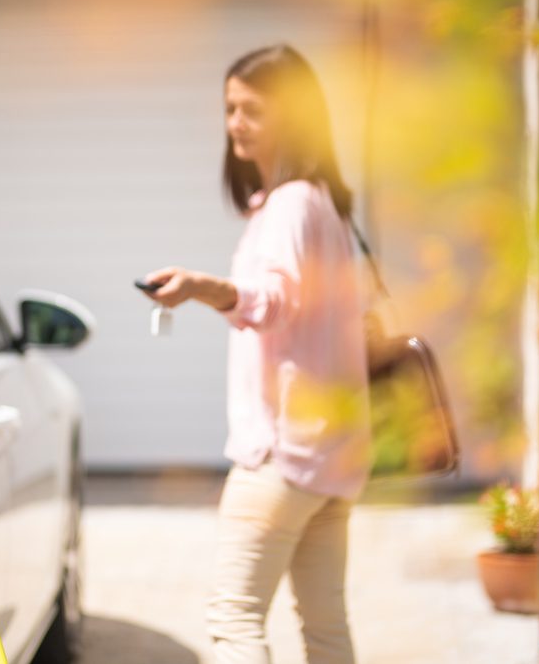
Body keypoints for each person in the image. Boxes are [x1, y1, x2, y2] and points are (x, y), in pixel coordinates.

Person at [139, 44, 370, 664]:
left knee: (233, 619)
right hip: (332, 453)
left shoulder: (294, 202)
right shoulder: (324, 202)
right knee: (326, 628)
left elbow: (275, 302)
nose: (234, 123)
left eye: (252, 110)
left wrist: (200, 287)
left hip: (282, 455)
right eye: (229, 108)